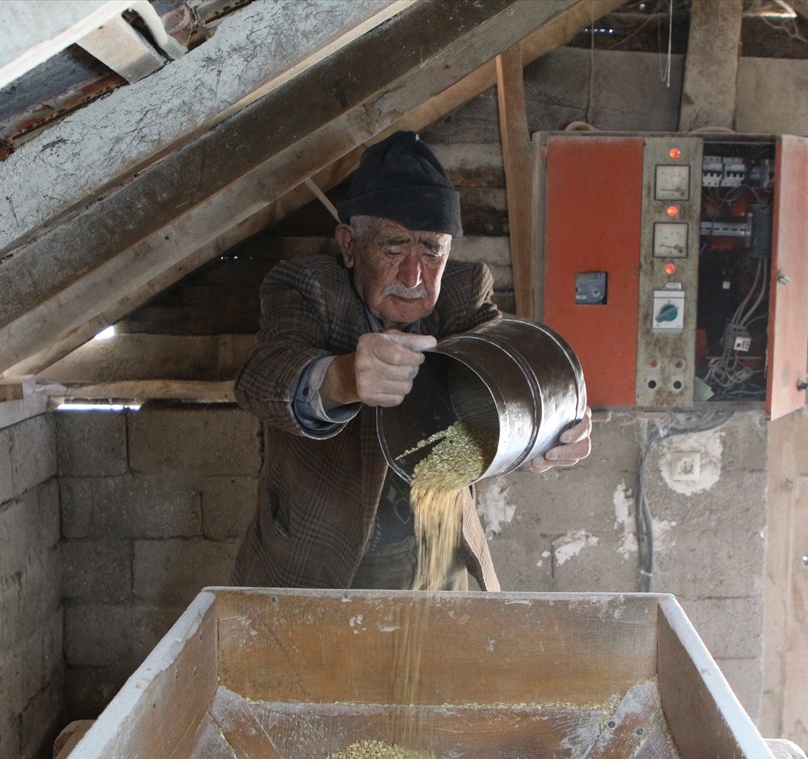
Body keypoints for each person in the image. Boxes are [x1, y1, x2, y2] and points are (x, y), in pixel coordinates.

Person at [231, 130, 591, 591]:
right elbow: (260, 377)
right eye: (393, 247)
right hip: (322, 560)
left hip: (440, 552)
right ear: (348, 244)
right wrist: (342, 378)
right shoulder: (308, 286)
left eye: (432, 250)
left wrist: (559, 428)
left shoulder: (464, 292)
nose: (413, 275)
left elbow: (516, 374)